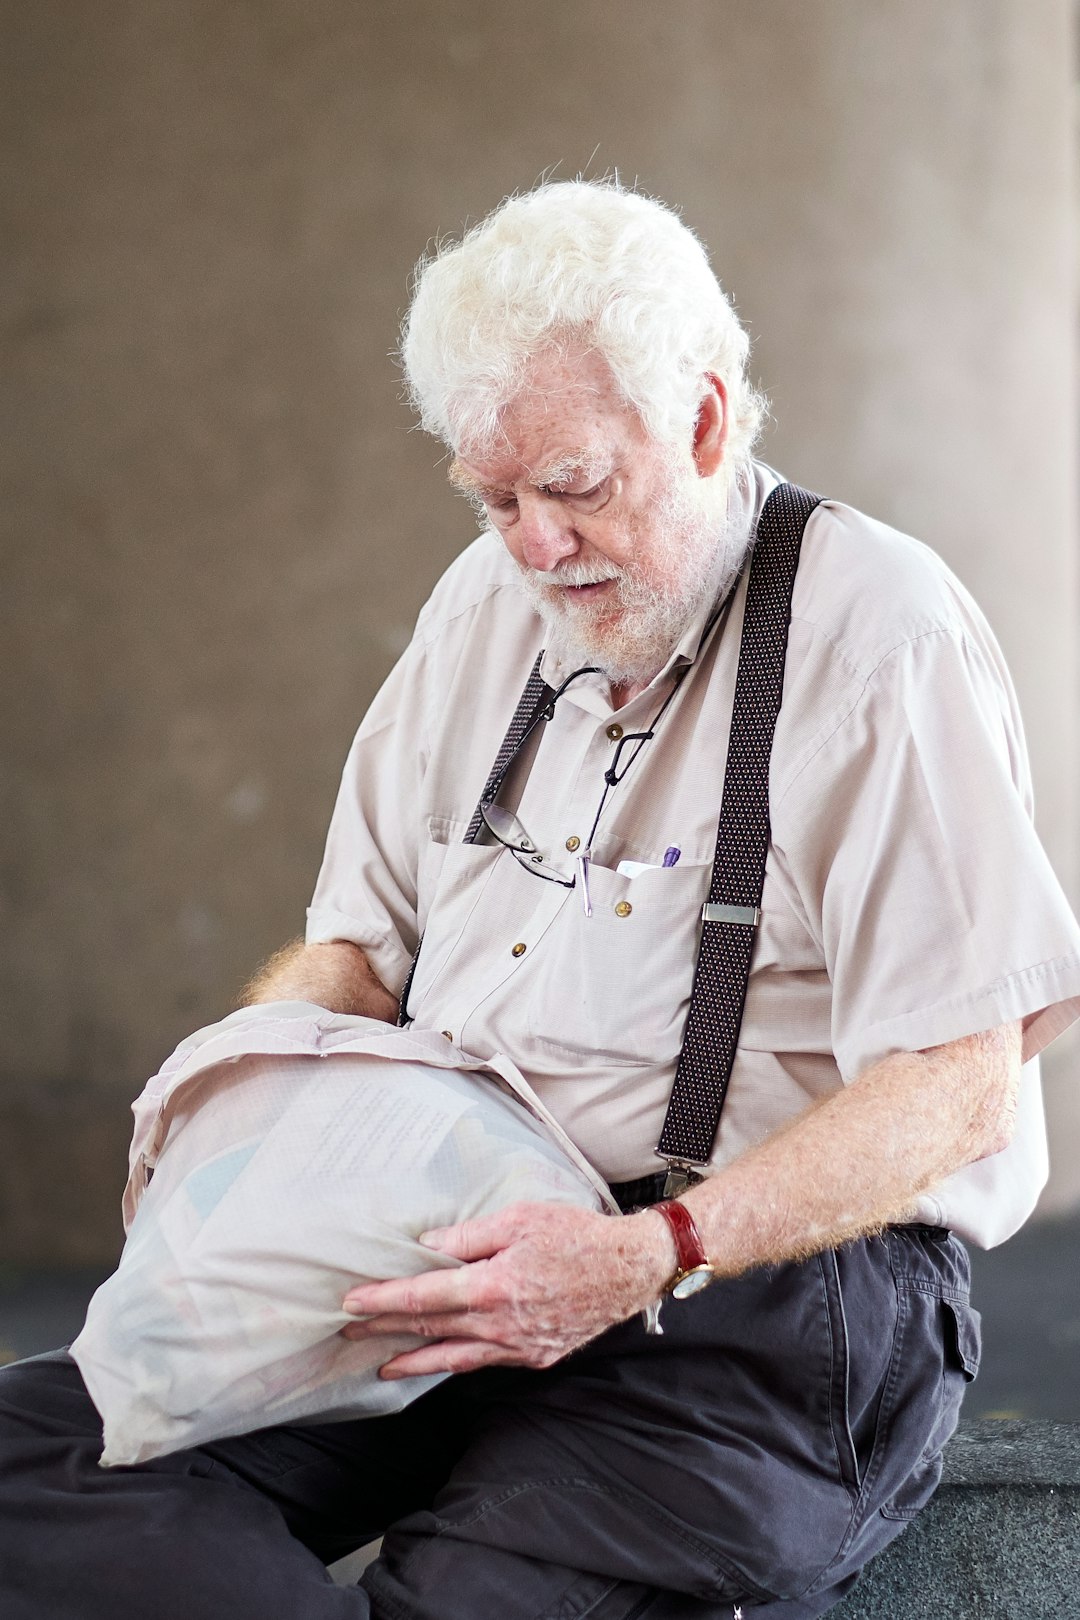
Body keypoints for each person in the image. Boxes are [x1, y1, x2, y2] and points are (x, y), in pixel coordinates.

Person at [2, 180, 1080, 1620]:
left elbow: (959, 1079)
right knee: (36, 1459)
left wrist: (645, 1256)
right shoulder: (485, 602)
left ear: (703, 422)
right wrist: (238, 1119)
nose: (531, 547)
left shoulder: (878, 629)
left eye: (571, 487)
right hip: (438, 1239)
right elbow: (352, 957)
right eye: (491, 498)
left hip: (756, 1301)